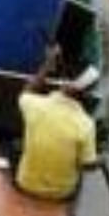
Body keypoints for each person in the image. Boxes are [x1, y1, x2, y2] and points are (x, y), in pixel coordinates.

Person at [13, 52, 99, 202]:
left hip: (25, 185)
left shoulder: (35, 104)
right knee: (78, 165)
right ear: (87, 93)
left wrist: (47, 65)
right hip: (61, 195)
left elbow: (26, 91)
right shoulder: (86, 124)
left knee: (16, 145)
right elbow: (87, 166)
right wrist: (99, 161)